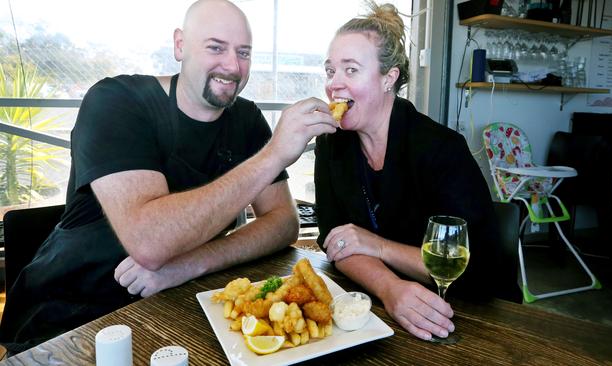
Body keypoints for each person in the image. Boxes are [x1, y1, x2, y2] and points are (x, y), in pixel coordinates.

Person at [0, 0, 336, 354]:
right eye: (215, 47)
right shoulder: (116, 101)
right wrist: (273, 155)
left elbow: (284, 223)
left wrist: (188, 265)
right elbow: (149, 243)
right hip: (69, 317)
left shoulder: (246, 120)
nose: (233, 66)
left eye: (244, 52)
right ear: (180, 45)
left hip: (179, 303)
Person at [315, 2, 511, 341]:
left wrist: (377, 246)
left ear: (388, 78)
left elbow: (471, 265)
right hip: (383, 309)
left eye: (350, 70)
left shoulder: (441, 149)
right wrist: (389, 287)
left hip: (476, 313)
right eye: (330, 71)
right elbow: (335, 239)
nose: (334, 84)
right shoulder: (331, 144)